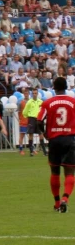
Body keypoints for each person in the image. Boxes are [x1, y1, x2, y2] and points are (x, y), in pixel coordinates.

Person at [38, 76, 75, 212]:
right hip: (69, 139)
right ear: (66, 87)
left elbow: (39, 121)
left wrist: (45, 134)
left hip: (54, 140)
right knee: (70, 172)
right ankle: (65, 198)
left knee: (55, 172)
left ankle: (57, 203)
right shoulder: (73, 102)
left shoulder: (47, 103)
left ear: (54, 88)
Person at [21, 88, 45, 156]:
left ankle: (44, 151)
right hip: (31, 118)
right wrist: (28, 116)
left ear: (37, 94)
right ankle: (31, 151)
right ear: (32, 94)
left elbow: (43, 110)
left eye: (35, 93)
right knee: (31, 134)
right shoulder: (29, 102)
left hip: (39, 119)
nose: (34, 94)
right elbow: (24, 112)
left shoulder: (40, 102)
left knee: (41, 134)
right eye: (33, 93)